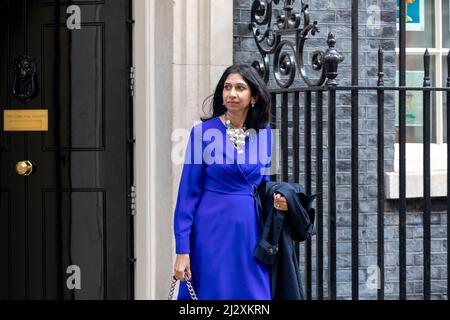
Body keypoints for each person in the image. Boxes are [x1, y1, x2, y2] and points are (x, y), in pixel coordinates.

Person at [172, 64, 288, 300]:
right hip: (210, 233)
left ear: (253, 96)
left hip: (251, 233)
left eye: (239, 88)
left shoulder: (267, 135)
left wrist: (282, 202)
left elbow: (268, 187)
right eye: (227, 87)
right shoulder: (201, 133)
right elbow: (186, 197)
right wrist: (182, 250)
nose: (232, 93)